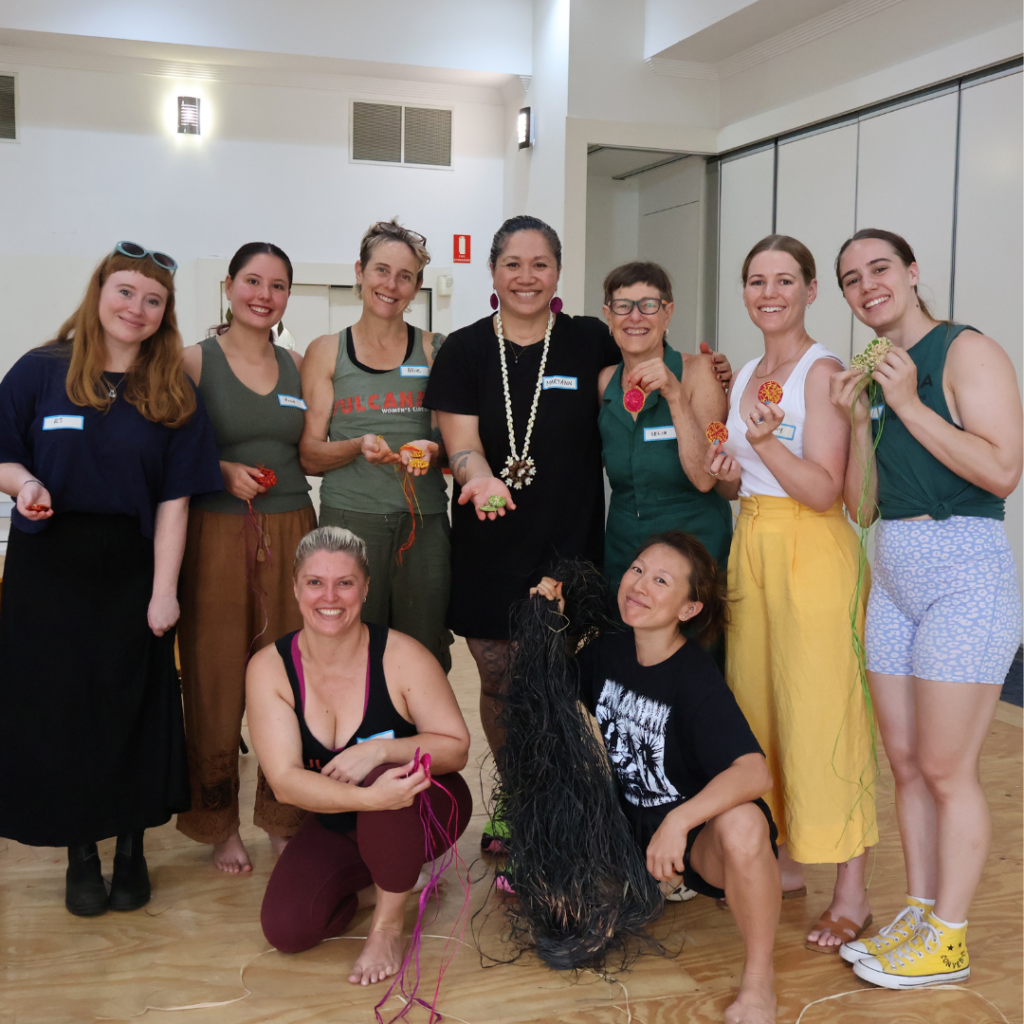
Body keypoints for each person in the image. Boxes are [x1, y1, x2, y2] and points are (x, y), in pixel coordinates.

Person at [0, 243, 222, 916]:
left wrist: (164, 592)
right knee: (64, 712)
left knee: (132, 708)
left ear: (166, 313)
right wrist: (27, 482)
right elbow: (4, 457)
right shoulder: (41, 371)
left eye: (153, 300)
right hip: (49, 567)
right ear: (99, 293)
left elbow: (175, 502)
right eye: (126, 292)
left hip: (133, 565)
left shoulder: (171, 390)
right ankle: (80, 851)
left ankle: (130, 847)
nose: (137, 309)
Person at [829, 228, 1022, 987]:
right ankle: (919, 908)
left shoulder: (966, 350)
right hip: (896, 574)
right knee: (905, 764)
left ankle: (951, 936)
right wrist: (856, 417)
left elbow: (1003, 470)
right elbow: (864, 506)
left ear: (912, 273)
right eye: (851, 278)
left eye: (880, 268)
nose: (867, 285)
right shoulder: (877, 372)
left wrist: (906, 403)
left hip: (965, 573)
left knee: (947, 767)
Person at [423, 215, 621, 850]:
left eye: (540, 264)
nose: (526, 276)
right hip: (489, 544)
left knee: (556, 681)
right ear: (493, 272)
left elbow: (637, 393)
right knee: (501, 682)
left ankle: (558, 802)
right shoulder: (464, 349)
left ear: (559, 272)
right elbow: (461, 446)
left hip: (568, 543)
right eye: (513, 263)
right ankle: (513, 796)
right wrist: (477, 477)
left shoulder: (591, 340)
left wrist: (708, 377)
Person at [706, 234, 878, 952]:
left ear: (810, 289)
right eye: (755, 280)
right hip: (754, 545)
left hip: (814, 552)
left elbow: (824, 491)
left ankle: (853, 892)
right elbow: (747, 481)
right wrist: (724, 470)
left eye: (784, 280)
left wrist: (769, 448)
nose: (768, 292)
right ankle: (785, 856)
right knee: (761, 706)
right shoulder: (746, 371)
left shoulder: (823, 371)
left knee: (822, 710)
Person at [533, 531, 779, 1024]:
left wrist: (679, 822)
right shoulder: (606, 652)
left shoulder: (694, 677)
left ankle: (759, 981)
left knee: (744, 824)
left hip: (686, 845)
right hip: (622, 842)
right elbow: (554, 711)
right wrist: (549, 620)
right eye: (638, 570)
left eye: (662, 580)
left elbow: (754, 771)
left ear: (688, 609)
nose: (640, 585)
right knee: (565, 928)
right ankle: (650, 888)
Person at [247, 526, 472, 985]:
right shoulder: (270, 667)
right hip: (343, 818)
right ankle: (381, 881)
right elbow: (285, 781)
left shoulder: (402, 656)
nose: (330, 596)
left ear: (365, 588)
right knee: (287, 929)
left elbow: (457, 748)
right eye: (315, 582)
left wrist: (381, 750)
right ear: (295, 586)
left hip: (424, 807)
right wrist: (369, 802)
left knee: (386, 777)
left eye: (345, 583)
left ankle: (388, 926)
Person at [177, 242, 316, 872]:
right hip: (215, 533)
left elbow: (315, 448)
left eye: (278, 284)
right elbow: (162, 453)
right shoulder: (192, 363)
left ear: (289, 295)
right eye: (253, 281)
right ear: (230, 286)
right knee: (214, 677)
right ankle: (216, 821)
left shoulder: (296, 364)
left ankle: (283, 816)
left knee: (291, 677)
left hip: (292, 533)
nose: (264, 294)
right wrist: (217, 470)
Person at [300, 219, 452, 670]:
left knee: (423, 652)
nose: (391, 284)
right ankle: (352, 742)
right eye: (381, 271)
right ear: (360, 272)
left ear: (417, 286)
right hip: (350, 520)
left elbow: (452, 439)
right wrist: (355, 445)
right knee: (347, 648)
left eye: (404, 276)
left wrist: (433, 449)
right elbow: (309, 454)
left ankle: (418, 742)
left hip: (422, 522)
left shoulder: (434, 350)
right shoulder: (327, 351)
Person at [598, 261, 732, 598]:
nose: (635, 317)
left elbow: (706, 478)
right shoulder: (604, 383)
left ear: (667, 314)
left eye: (649, 306)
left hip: (693, 547)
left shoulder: (700, 371)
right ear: (608, 315)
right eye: (623, 306)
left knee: (691, 647)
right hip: (625, 547)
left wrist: (674, 393)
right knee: (625, 646)